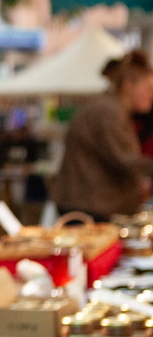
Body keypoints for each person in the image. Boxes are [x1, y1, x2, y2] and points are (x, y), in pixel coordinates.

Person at [53, 49, 153, 220]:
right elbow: (124, 159)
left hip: (89, 203)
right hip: (91, 207)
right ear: (128, 85)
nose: (151, 95)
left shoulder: (109, 107)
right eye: (149, 88)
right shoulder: (109, 111)